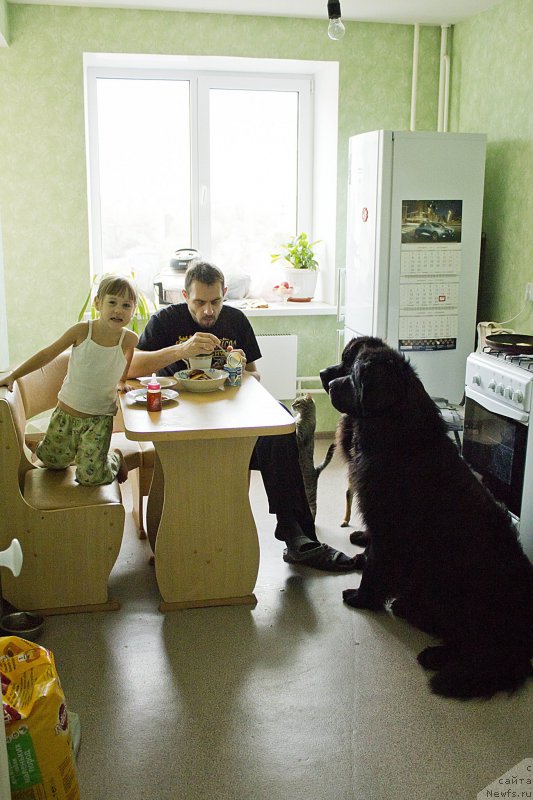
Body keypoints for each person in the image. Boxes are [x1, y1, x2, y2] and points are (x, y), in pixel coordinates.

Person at [130, 260, 357, 571]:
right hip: (181, 418)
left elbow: (254, 375)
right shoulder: (165, 321)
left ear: (224, 294)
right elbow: (132, 367)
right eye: (199, 302)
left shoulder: (236, 321)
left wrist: (237, 368)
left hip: (230, 414)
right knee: (273, 445)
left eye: (215, 302)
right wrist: (180, 351)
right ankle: (183, 538)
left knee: (279, 428)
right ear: (184, 296)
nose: (208, 311)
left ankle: (296, 536)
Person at [0, 275, 139, 486]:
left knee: (90, 477)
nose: (119, 310)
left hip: (99, 421)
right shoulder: (82, 331)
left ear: (133, 310)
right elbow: (47, 354)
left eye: (126, 305)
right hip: (66, 413)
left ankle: (114, 458)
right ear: (98, 303)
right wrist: (14, 375)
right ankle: (52, 448)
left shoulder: (129, 339)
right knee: (51, 462)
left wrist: (121, 380)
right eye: (112, 302)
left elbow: (127, 357)